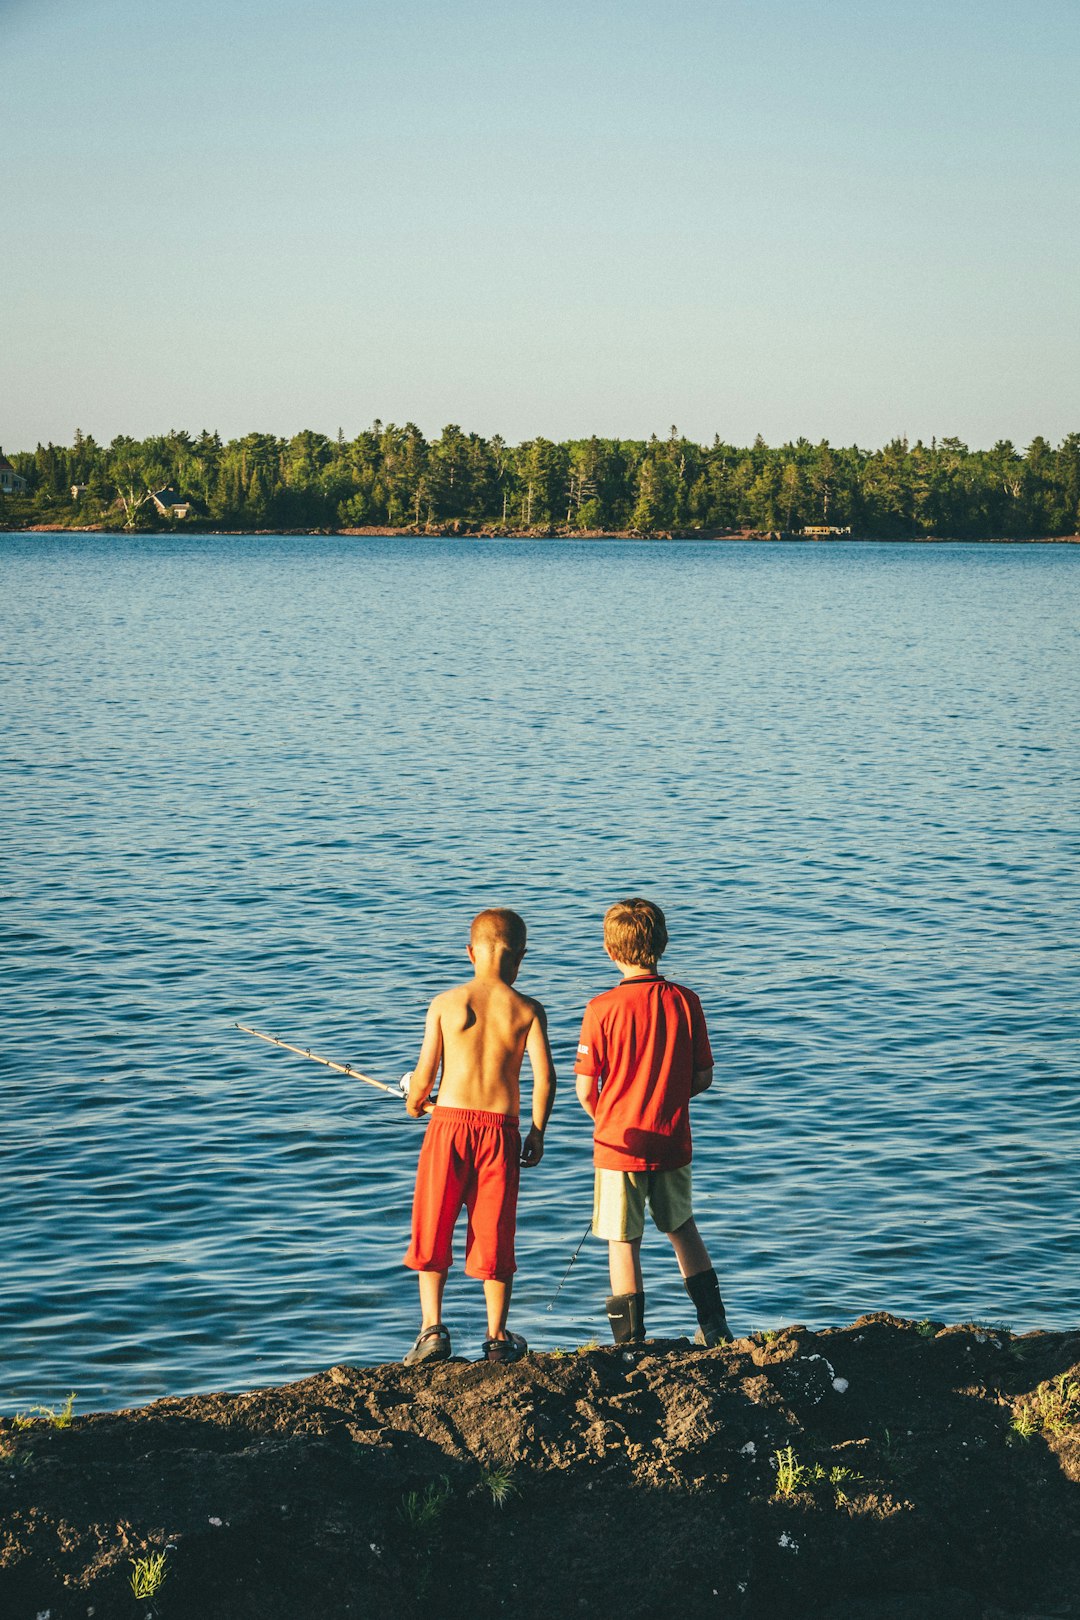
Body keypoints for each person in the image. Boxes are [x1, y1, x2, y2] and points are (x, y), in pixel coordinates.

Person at [573, 897, 732, 1346]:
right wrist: (665, 1098)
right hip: (673, 1139)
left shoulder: (601, 1009)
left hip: (619, 1144)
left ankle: (630, 1341)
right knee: (683, 1228)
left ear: (609, 950)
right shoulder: (686, 1001)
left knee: (623, 1241)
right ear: (662, 944)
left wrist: (608, 1116)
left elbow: (586, 1089)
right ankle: (715, 1326)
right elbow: (703, 1076)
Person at [402, 908, 556, 1365]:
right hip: (501, 1133)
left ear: (470, 953)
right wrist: (538, 1131)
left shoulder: (447, 1003)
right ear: (521, 958)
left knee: (433, 1223)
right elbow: (545, 1079)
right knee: (495, 1232)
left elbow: (425, 1073)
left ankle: (432, 1330)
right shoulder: (527, 1010)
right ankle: (497, 1337)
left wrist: (416, 1101)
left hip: (448, 1126)